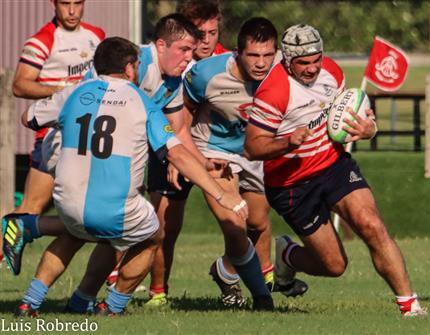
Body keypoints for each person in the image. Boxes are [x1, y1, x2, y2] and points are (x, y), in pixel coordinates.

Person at [14, 36, 248, 317]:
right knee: (152, 236)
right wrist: (221, 194)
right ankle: (113, 306)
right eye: (137, 65)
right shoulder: (141, 102)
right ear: (128, 69)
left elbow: (28, 118)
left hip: (68, 199)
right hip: (115, 207)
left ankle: (33, 300)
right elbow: (178, 154)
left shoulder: (74, 93)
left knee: (79, 234)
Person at [244, 24, 427, 316]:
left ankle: (410, 305)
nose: (312, 68)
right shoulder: (273, 91)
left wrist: (369, 129)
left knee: (371, 224)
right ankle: (287, 256)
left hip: (333, 166)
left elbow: (348, 116)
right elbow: (252, 147)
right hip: (291, 184)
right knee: (334, 266)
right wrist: (286, 142)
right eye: (303, 62)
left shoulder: (332, 72)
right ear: (287, 59)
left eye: (316, 60)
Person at [181, 17, 306, 311]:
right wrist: (187, 157)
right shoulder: (206, 74)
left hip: (256, 153)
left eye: (268, 55)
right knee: (235, 225)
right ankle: (262, 298)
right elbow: (183, 112)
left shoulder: (283, 75)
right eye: (253, 55)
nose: (261, 63)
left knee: (258, 224)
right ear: (238, 52)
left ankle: (225, 271)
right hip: (215, 154)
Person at [143, 0, 235, 307]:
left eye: (212, 32)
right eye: (200, 33)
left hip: (211, 149)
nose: (206, 41)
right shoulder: (171, 63)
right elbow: (174, 120)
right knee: (164, 226)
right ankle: (157, 291)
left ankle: (247, 279)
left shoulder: (226, 62)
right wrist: (174, 156)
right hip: (172, 148)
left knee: (240, 217)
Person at [2, 0, 104, 271]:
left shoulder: (97, 36)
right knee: (31, 207)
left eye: (77, 3)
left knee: (97, 204)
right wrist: (63, 89)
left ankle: (111, 275)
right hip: (53, 135)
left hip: (89, 135)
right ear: (54, 4)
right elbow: (20, 85)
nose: (72, 11)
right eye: (65, 4)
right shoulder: (42, 41)